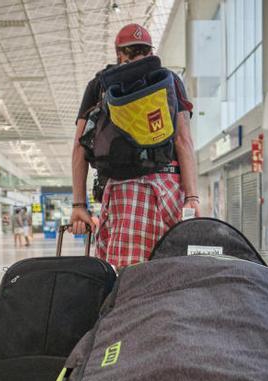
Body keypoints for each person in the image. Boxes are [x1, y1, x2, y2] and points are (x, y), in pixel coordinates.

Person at [69, 23, 198, 268]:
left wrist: (79, 205)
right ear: (151, 53)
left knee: (124, 275)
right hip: (168, 188)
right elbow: (184, 140)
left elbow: (79, 148)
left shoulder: (100, 85)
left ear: (119, 54)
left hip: (122, 192)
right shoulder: (169, 80)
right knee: (171, 269)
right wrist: (191, 196)